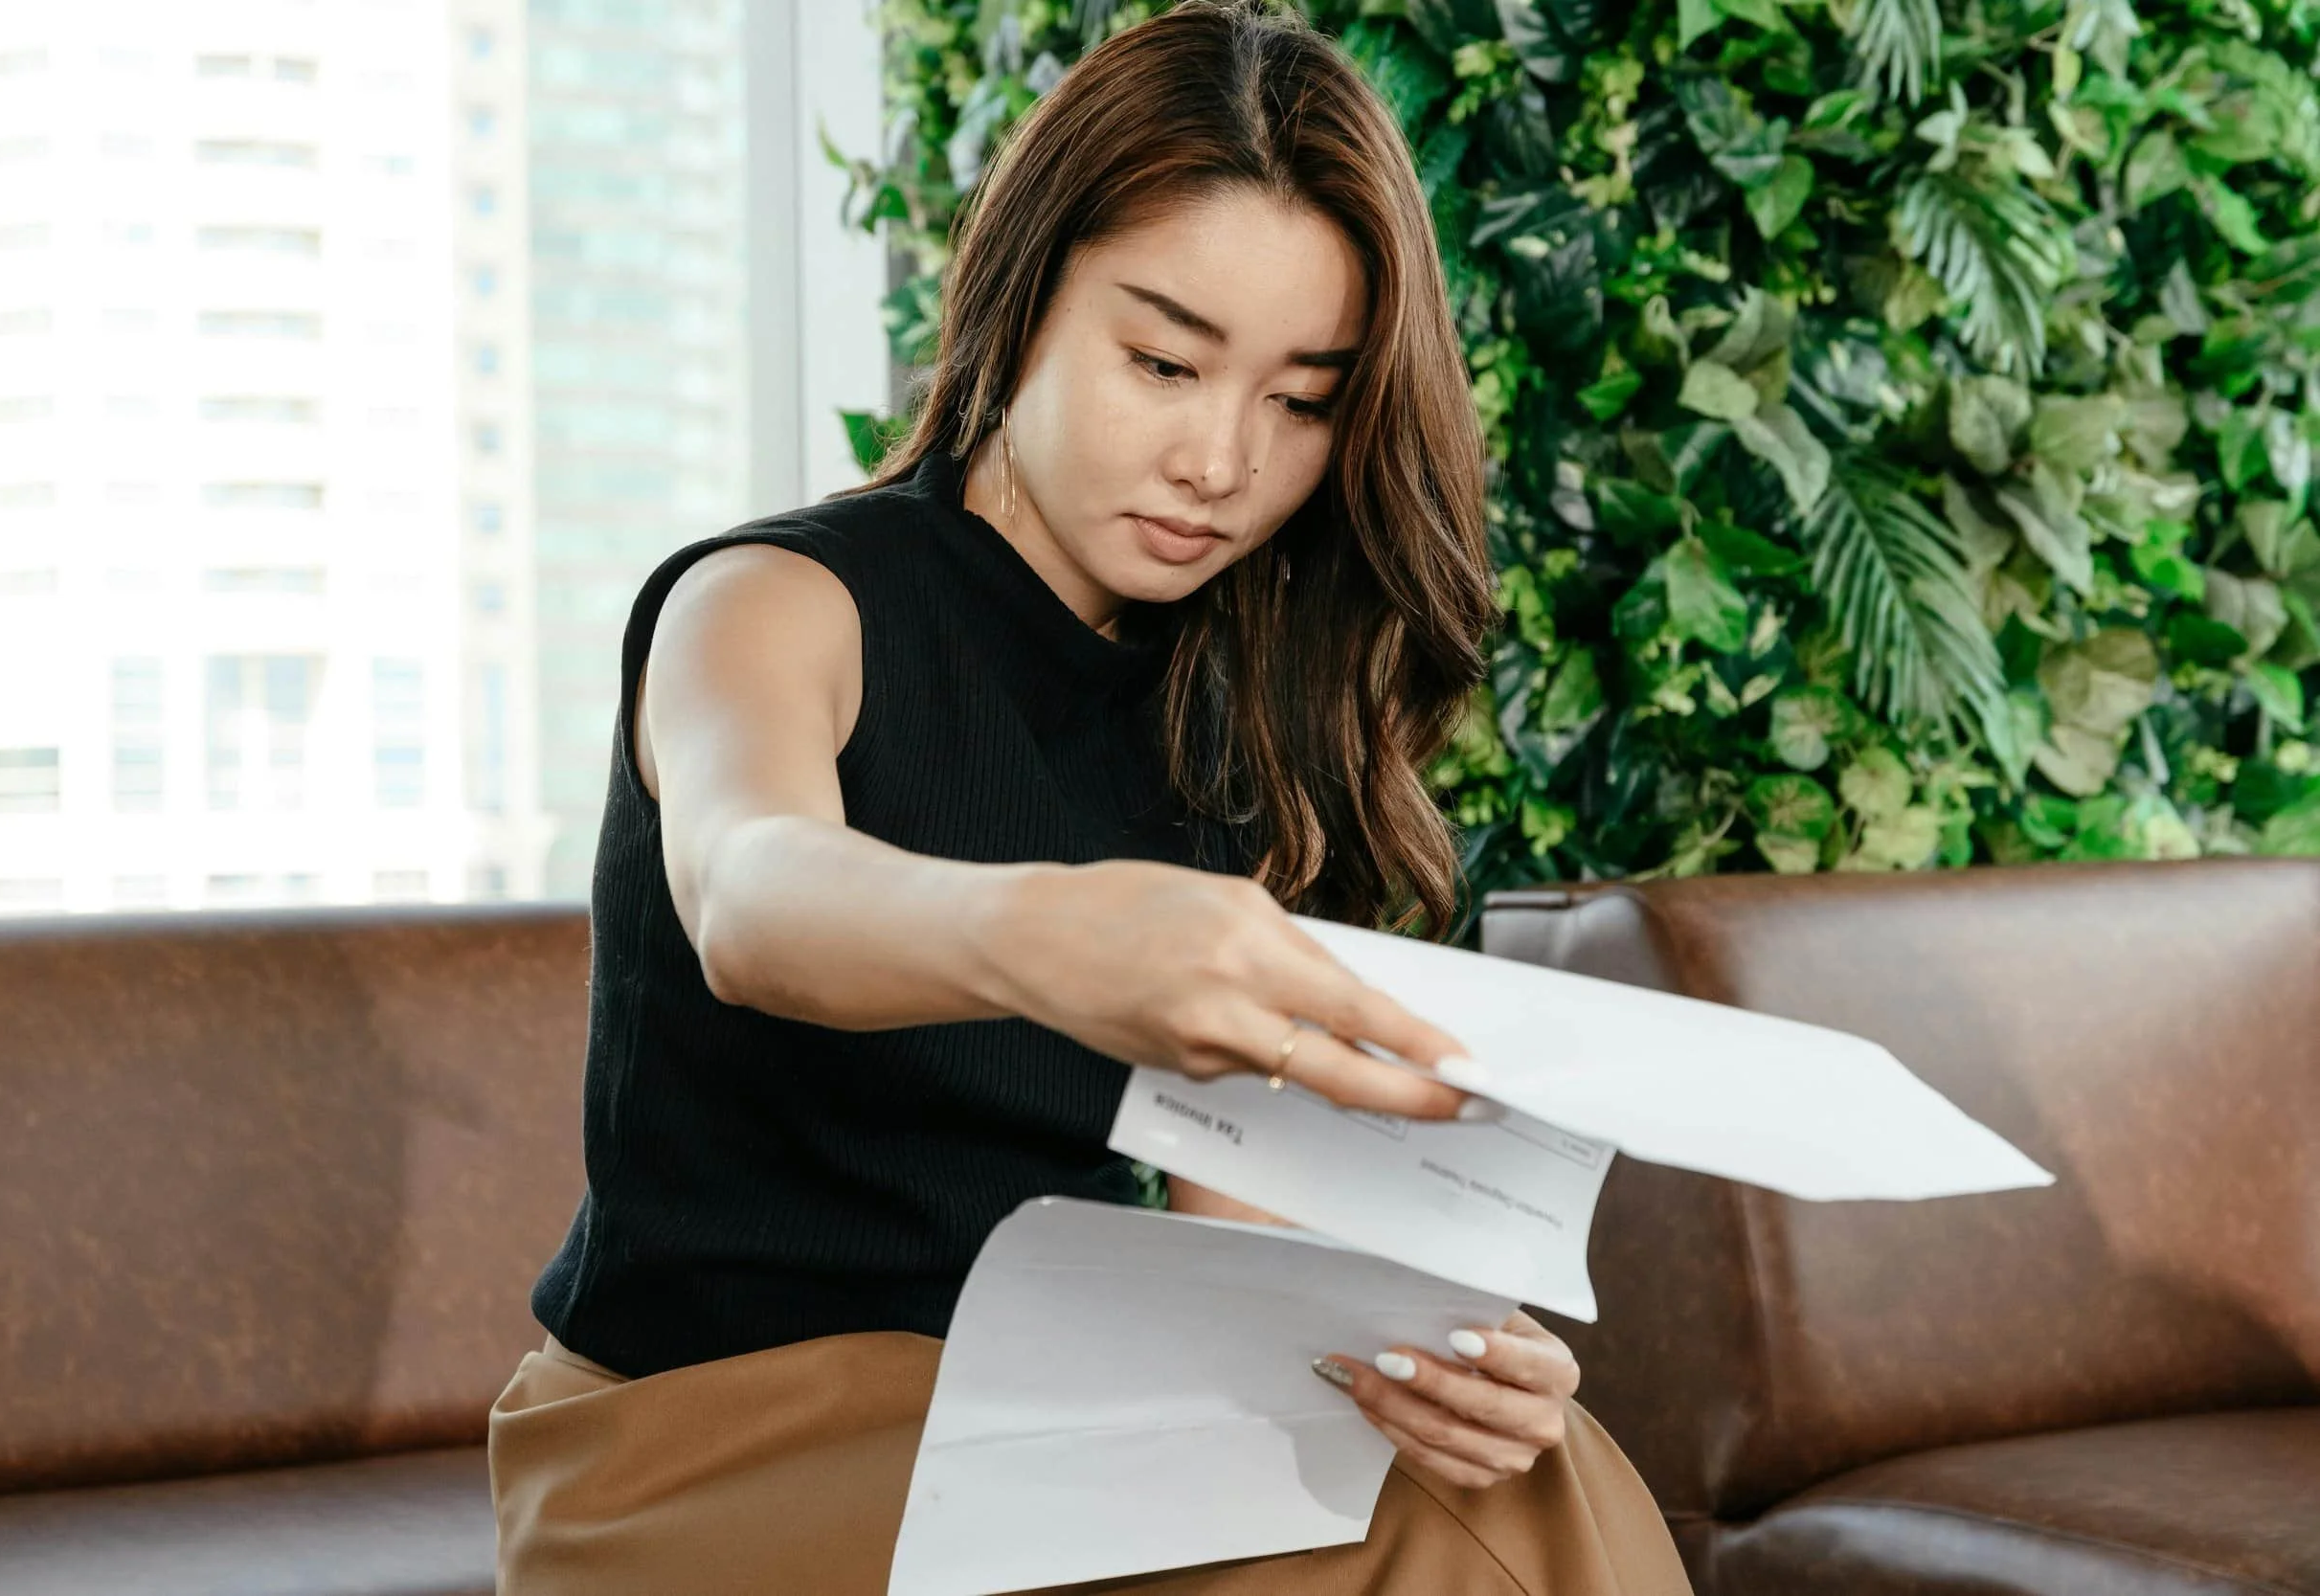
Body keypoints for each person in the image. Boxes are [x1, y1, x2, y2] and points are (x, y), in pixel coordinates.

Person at [487, 5, 1692, 1591]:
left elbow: (1240, 1236)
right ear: (1022, 298)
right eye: (1165, 361)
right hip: (704, 1431)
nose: (1220, 457)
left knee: (1523, 1478)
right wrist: (1047, 931)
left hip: (1045, 1407)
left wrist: (1439, 1357)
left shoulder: (1234, 706)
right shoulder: (776, 601)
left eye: (1302, 398)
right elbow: (752, 892)